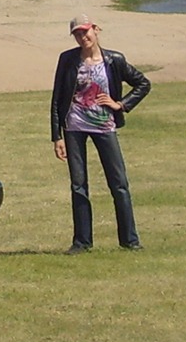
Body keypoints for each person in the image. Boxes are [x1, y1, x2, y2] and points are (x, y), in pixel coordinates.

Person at [50, 15, 151, 252]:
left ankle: (130, 241)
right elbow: (57, 99)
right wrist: (57, 136)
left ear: (96, 30)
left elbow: (143, 84)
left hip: (104, 127)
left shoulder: (114, 60)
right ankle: (82, 242)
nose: (82, 37)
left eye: (85, 32)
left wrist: (121, 104)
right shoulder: (67, 60)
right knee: (78, 185)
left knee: (119, 184)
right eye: (77, 34)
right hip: (74, 127)